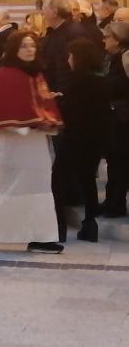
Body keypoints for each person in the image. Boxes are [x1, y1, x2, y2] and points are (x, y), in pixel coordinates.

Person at [0, 31, 64, 254]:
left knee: (39, 186)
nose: (30, 50)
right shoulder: (4, 74)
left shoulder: (36, 74)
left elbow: (38, 105)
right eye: (24, 46)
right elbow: (1, 111)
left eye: (32, 45)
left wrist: (48, 114)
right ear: (14, 50)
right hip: (11, 143)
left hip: (35, 143)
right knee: (5, 185)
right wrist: (27, 124)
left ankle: (41, 236)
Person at [52, 38, 110, 243]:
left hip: (74, 137)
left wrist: (57, 99)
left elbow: (69, 110)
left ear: (77, 57)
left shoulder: (77, 80)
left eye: (70, 55)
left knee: (57, 180)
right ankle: (90, 224)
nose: (68, 59)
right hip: (96, 138)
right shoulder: (102, 79)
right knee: (88, 180)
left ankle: (58, 227)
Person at [101, 22, 129, 218]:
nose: (104, 40)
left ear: (117, 40)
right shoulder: (111, 57)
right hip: (114, 116)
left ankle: (116, 203)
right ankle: (112, 201)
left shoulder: (125, 57)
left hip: (123, 117)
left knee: (120, 161)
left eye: (107, 37)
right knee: (114, 161)